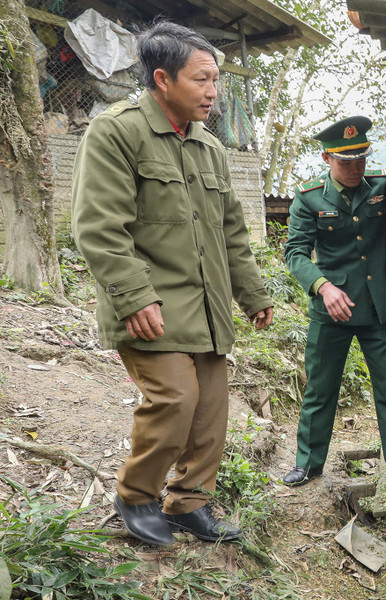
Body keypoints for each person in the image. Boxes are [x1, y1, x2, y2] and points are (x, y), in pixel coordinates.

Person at [71, 21, 273, 547]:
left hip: (206, 306)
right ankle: (136, 495)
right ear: (162, 79)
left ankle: (189, 503)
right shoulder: (116, 132)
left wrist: (252, 294)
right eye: (202, 79)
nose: (214, 92)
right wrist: (135, 296)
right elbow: (98, 225)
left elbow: (231, 231)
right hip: (151, 306)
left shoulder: (209, 148)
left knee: (209, 412)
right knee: (175, 400)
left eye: (217, 80)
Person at [283, 116, 386, 486]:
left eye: (360, 159)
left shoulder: (378, 184)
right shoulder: (309, 197)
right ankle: (308, 463)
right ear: (326, 159)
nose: (355, 168)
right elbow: (296, 253)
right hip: (331, 310)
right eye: (346, 161)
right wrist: (322, 287)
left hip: (378, 306)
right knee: (320, 387)